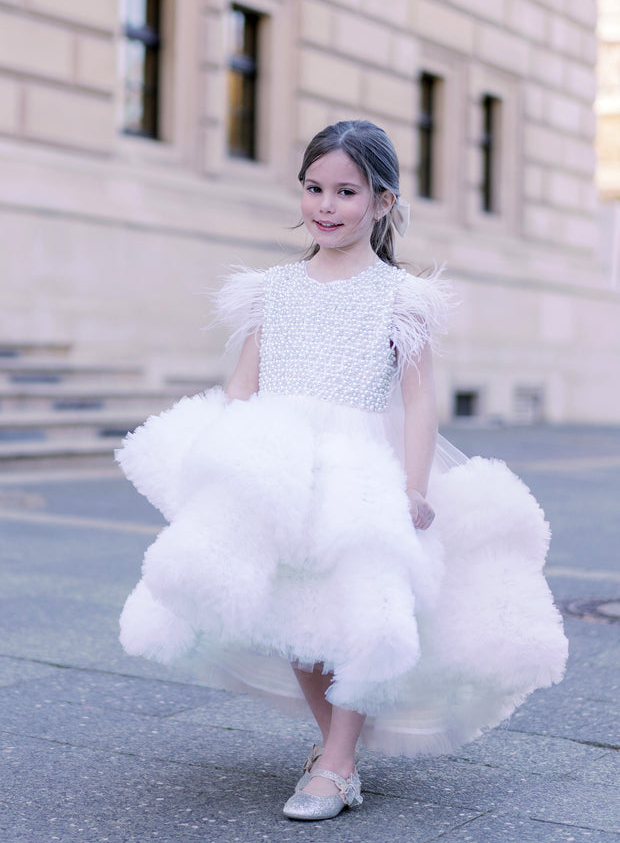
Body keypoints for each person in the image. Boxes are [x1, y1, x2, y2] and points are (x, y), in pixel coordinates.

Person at [117, 120, 568, 822]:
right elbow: (244, 381)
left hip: (360, 464)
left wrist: (414, 486)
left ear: (382, 202)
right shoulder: (273, 289)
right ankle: (337, 749)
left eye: (346, 192)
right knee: (300, 609)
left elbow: (419, 402)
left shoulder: (399, 296)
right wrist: (214, 457)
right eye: (314, 188)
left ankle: (336, 762)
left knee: (359, 606)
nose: (326, 206)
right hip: (280, 461)